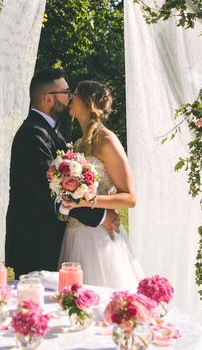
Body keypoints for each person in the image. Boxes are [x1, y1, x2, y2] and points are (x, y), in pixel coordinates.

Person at [5, 69, 121, 278]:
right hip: (34, 242)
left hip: (53, 240)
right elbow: (49, 192)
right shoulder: (33, 134)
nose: (70, 97)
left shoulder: (51, 130)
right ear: (48, 98)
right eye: (66, 92)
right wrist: (101, 216)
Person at [58, 80, 145, 289]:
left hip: (98, 239)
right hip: (73, 234)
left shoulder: (107, 140)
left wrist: (88, 201)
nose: (71, 97)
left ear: (88, 102)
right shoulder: (79, 143)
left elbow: (130, 198)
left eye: (76, 93)